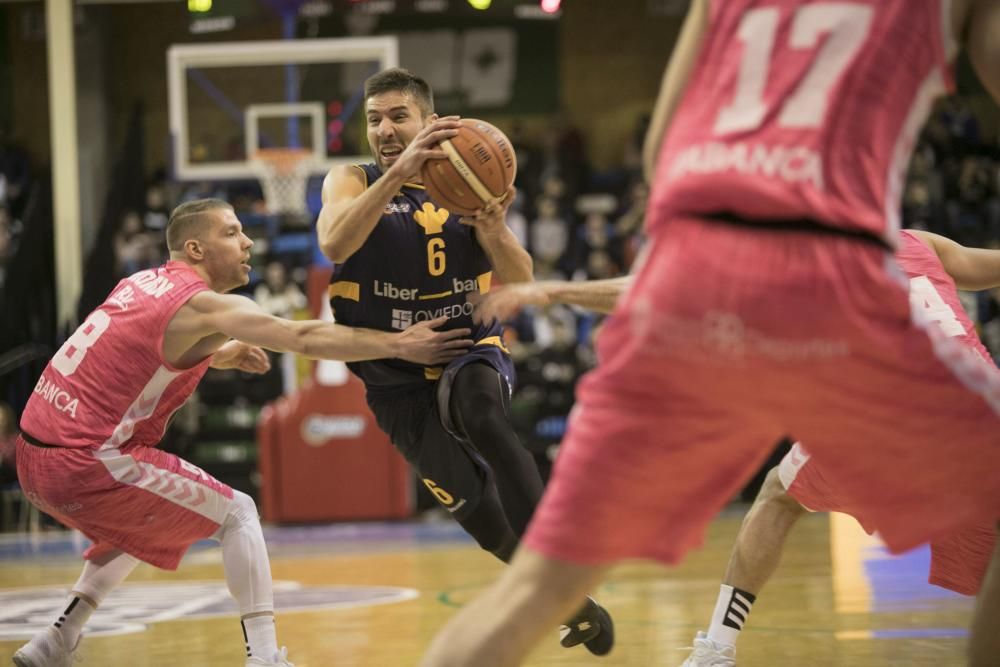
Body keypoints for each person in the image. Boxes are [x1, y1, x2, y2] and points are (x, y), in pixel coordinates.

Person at [421, 1, 1000, 666]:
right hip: (829, 271)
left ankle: (715, 647)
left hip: (701, 259)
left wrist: (557, 288)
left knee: (537, 587)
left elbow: (657, 152)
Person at [470, 229, 1000, 665]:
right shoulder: (916, 243)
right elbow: (988, 263)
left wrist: (557, 292)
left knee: (778, 495)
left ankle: (716, 651)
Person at [12, 198, 472, 667]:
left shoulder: (140, 284)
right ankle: (265, 658)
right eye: (231, 232)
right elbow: (304, 339)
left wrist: (222, 354)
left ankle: (55, 641)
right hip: (86, 460)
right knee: (240, 514)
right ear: (195, 248)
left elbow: (136, 353)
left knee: (139, 525)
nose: (248, 240)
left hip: (32, 458)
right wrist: (400, 344)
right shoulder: (204, 305)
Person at [316, 67, 614, 654]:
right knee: (477, 513)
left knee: (481, 412)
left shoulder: (466, 177)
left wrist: (496, 228)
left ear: (429, 121)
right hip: (393, 374)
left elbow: (524, 282)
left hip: (466, 345)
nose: (385, 129)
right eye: (374, 119)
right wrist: (397, 176)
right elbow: (335, 244)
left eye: (399, 116)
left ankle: (552, 565)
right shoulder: (351, 179)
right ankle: (573, 603)